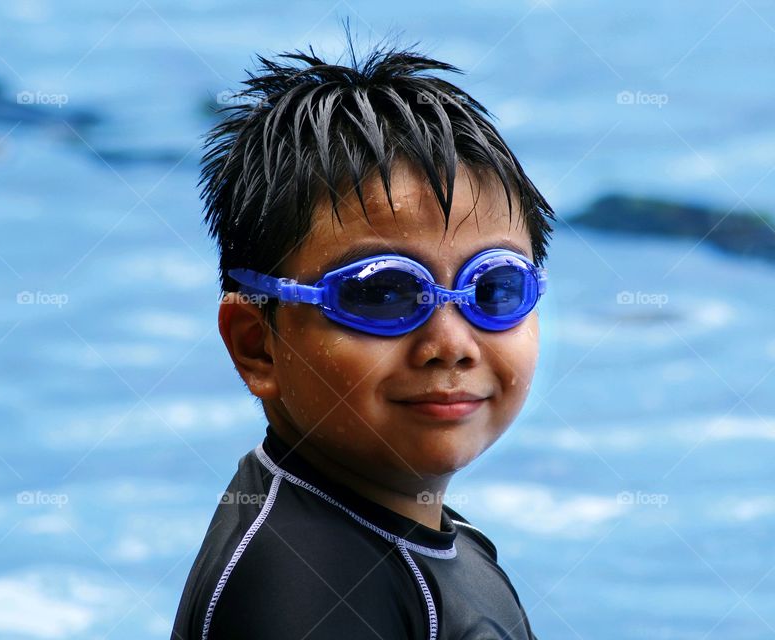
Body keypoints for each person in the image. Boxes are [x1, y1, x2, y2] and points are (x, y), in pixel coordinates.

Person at [172, 32, 555, 640]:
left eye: (494, 289)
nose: (451, 343)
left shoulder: (405, 533)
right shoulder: (306, 593)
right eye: (381, 294)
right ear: (257, 344)